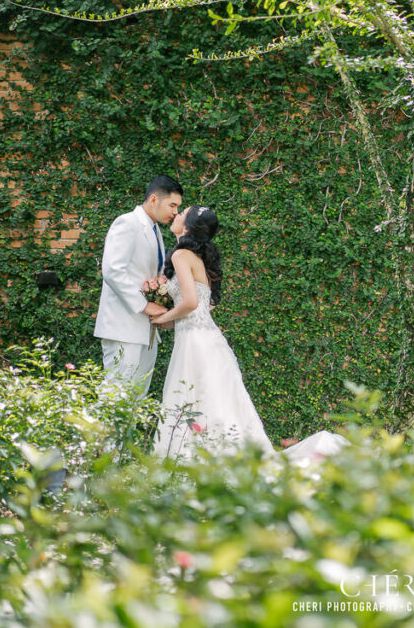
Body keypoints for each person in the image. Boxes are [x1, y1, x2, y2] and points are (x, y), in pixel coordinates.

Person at [149, 205, 347, 462]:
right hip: (204, 339)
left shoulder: (181, 255)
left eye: (181, 213)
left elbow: (190, 303)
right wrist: (171, 321)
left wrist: (162, 317)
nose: (175, 214)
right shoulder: (196, 257)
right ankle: (216, 458)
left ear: (187, 227)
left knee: (193, 399)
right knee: (213, 401)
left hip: (196, 344)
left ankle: (193, 460)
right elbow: (200, 308)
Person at [94, 175, 183, 398]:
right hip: (124, 326)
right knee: (116, 395)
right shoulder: (127, 223)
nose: (175, 212)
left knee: (136, 397)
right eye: (172, 205)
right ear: (154, 199)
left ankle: (127, 435)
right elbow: (113, 270)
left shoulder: (156, 231)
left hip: (147, 330)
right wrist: (145, 306)